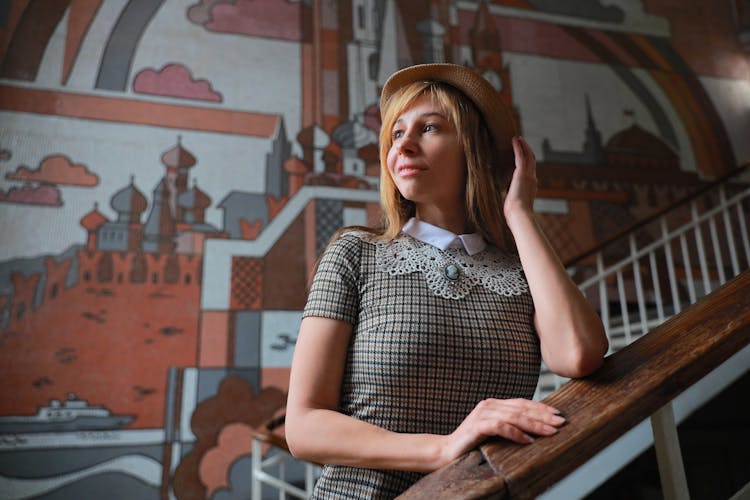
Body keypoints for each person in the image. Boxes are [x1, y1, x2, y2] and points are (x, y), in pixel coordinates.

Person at [285, 63, 608, 499]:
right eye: (396, 134)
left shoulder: (519, 271)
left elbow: (579, 354)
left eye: (430, 128)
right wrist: (443, 449)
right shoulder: (355, 254)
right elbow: (303, 426)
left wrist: (520, 214)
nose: (405, 145)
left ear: (471, 148)